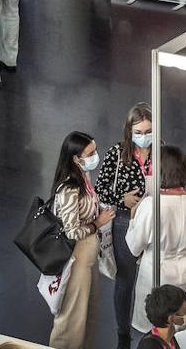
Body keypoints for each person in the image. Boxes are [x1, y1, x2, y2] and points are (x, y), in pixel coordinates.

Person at [126, 145, 186, 335]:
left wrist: (133, 217)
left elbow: (133, 247)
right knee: (182, 332)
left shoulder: (150, 205)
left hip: (155, 276)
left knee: (154, 333)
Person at [96, 103, 154, 349]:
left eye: (148, 131)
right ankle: (123, 332)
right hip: (125, 221)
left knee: (151, 275)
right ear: (129, 131)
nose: (143, 137)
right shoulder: (117, 153)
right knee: (126, 279)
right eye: (138, 132)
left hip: (152, 219)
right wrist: (122, 199)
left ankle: (151, 325)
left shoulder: (161, 151)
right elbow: (100, 187)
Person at [49, 131, 113, 349]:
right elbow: (71, 231)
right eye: (91, 153)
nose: (96, 156)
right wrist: (98, 223)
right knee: (73, 315)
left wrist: (97, 212)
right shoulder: (69, 188)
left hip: (89, 254)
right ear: (76, 158)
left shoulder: (83, 177)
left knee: (89, 311)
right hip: (77, 257)